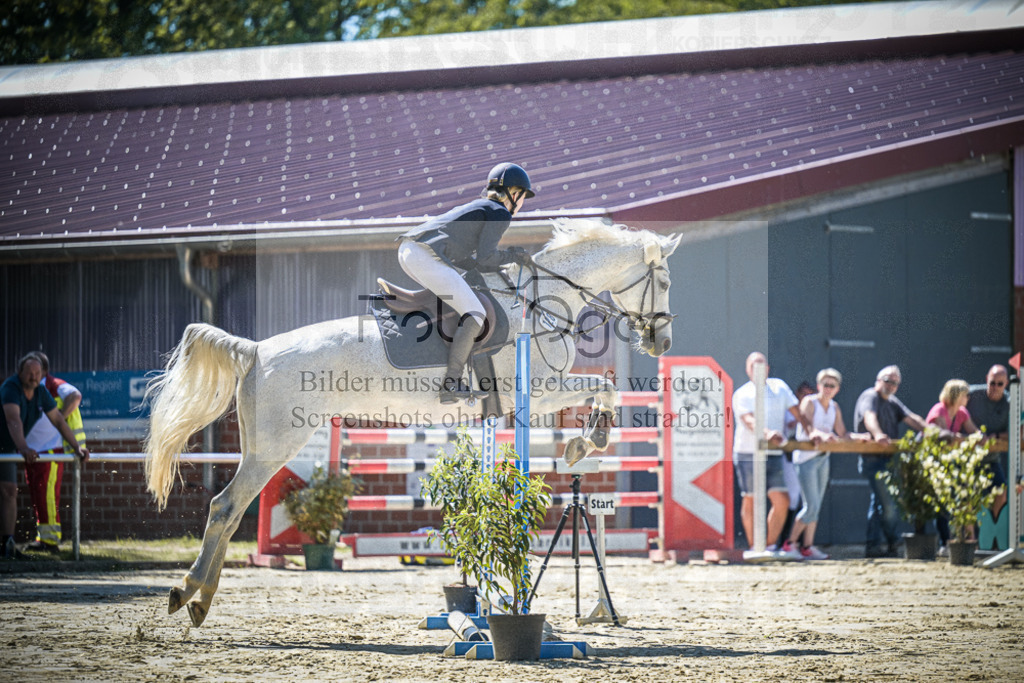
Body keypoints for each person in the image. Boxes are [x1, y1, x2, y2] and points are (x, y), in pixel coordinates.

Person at [397, 162, 534, 404]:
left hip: (411, 251)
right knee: (475, 312)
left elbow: (474, 261)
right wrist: (513, 256)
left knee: (461, 302)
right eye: (523, 197)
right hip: (424, 255)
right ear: (514, 193)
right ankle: (451, 382)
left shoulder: (484, 207)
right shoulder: (499, 212)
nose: (522, 203)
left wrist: (504, 262)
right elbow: (485, 257)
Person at [732, 352, 821, 557]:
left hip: (772, 453)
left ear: (768, 368)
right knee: (751, 499)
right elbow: (748, 421)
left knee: (782, 500)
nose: (758, 368)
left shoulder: (780, 387)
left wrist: (811, 431)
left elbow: (798, 412)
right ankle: (756, 548)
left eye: (762, 364)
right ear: (748, 370)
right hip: (748, 453)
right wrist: (767, 433)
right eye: (754, 365)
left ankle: (769, 547)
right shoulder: (742, 394)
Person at [1, 354, 89, 559]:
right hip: (9, 446)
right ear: (19, 372)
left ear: (42, 374)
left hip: (9, 448)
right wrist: (23, 448)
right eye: (29, 373)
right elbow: (13, 420)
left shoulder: (41, 391)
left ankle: (7, 544)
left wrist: (77, 448)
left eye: (37, 373)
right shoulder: (10, 388)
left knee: (8, 491)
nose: (33, 377)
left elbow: (58, 420)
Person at [785, 368, 867, 560]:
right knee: (810, 505)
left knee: (816, 505)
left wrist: (858, 437)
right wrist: (822, 435)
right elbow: (809, 429)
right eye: (825, 385)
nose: (828, 389)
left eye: (832, 386)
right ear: (819, 386)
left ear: (837, 389)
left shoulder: (834, 407)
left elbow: (842, 433)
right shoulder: (809, 402)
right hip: (806, 459)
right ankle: (790, 544)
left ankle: (807, 546)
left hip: (823, 458)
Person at [853, 365, 928, 558]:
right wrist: (878, 434)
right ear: (878, 380)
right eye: (888, 380)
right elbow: (869, 417)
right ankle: (891, 542)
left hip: (888, 461)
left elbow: (912, 418)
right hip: (872, 460)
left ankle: (875, 546)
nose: (891, 385)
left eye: (895, 383)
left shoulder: (892, 402)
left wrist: (932, 431)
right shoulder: (870, 397)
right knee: (887, 505)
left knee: (879, 503)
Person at [23, 352, 87, 552]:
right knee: (37, 495)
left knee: (47, 496)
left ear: (43, 370)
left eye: (36, 370)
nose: (32, 374)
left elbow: (75, 396)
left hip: (50, 451)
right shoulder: (28, 388)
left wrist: (58, 418)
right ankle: (43, 537)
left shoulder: (52, 384)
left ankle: (50, 542)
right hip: (34, 452)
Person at [926, 378, 979, 553]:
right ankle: (944, 542)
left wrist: (979, 437)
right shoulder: (939, 410)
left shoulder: (962, 412)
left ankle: (963, 540)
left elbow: (975, 433)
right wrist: (963, 438)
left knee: (960, 498)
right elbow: (947, 437)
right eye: (965, 394)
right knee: (941, 502)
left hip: (954, 462)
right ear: (956, 395)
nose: (968, 398)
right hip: (935, 462)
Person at [966, 364, 1010, 523]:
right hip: (968, 459)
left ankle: (994, 529)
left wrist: (996, 436)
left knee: (1001, 491)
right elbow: (950, 401)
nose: (995, 387)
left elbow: (1018, 431)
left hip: (991, 460)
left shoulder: (1010, 402)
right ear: (986, 379)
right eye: (992, 382)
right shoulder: (971, 394)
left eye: (1000, 384)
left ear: (1006, 384)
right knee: (967, 496)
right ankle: (969, 538)